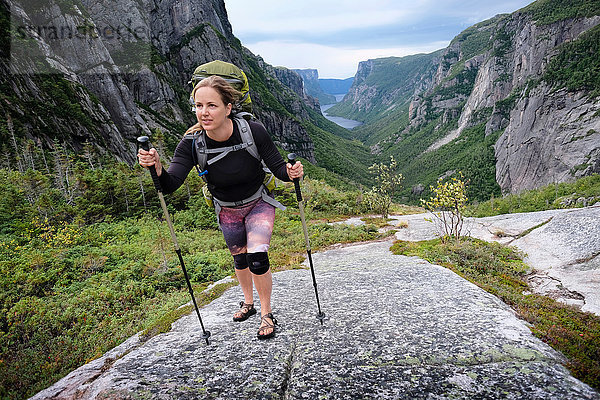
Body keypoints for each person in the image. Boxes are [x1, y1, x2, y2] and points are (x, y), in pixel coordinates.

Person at [138, 75, 304, 340]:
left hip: (258, 202)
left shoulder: (253, 131)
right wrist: (156, 167)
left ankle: (266, 312)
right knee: (239, 258)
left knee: (257, 257)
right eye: (199, 105)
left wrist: (292, 171)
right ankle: (247, 303)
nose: (204, 112)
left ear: (228, 108)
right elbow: (170, 184)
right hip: (226, 209)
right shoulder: (191, 143)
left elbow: (279, 170)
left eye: (212, 105)